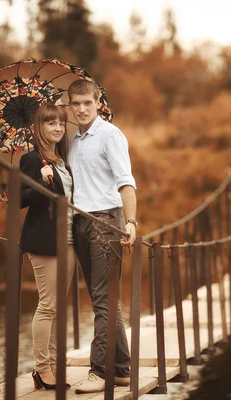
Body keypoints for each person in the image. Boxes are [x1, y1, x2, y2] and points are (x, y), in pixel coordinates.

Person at [67, 79, 138, 394]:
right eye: (76, 104)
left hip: (106, 222)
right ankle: (122, 370)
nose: (81, 109)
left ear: (98, 103)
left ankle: (99, 371)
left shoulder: (110, 134)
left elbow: (126, 181)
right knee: (105, 300)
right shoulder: (70, 141)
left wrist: (131, 222)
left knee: (103, 299)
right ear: (70, 106)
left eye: (87, 103)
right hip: (79, 223)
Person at [19, 103, 76, 391]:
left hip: (68, 239)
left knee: (57, 307)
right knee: (48, 305)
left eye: (61, 124)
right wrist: (41, 184)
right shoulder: (31, 160)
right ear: (39, 127)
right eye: (51, 123)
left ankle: (52, 366)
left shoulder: (63, 159)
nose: (57, 128)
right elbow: (19, 198)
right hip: (44, 241)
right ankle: (42, 368)